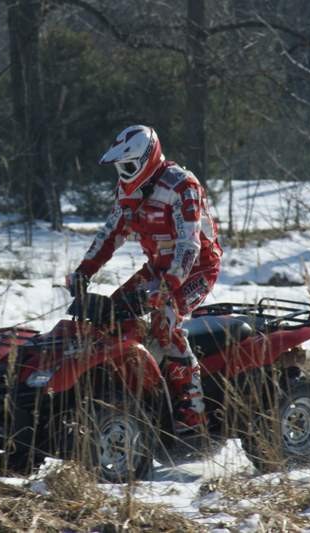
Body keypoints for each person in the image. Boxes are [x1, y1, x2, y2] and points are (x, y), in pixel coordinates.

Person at [66, 125, 222, 432]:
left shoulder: (181, 185)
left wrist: (169, 287)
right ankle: (135, 390)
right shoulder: (128, 191)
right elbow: (112, 232)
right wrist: (84, 270)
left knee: (165, 320)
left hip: (197, 267)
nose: (123, 174)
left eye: (128, 167)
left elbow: (189, 244)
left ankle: (193, 410)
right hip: (158, 266)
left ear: (147, 158)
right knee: (110, 316)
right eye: (119, 168)